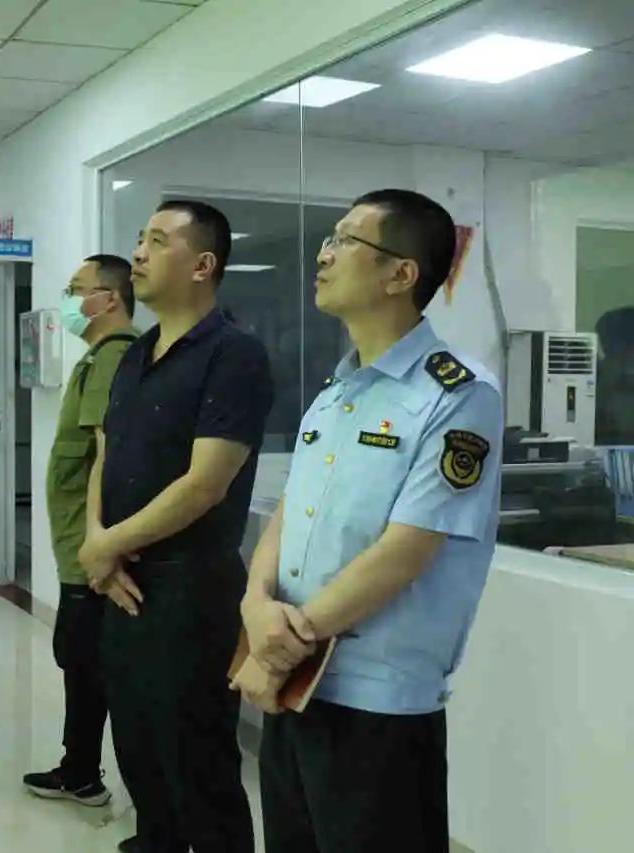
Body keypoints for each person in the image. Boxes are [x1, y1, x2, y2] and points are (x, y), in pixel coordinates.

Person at [231, 189, 504, 853]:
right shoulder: (337, 392)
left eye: (345, 241)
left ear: (400, 273)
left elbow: (406, 549)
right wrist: (255, 603)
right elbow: (292, 510)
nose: (323, 255)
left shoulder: (458, 394)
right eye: (329, 239)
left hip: (376, 699)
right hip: (295, 683)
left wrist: (281, 643)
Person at [79, 200, 273, 853]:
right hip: (123, 584)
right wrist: (98, 544)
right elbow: (107, 453)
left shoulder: (233, 355)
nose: (138, 252)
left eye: (157, 241)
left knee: (198, 761)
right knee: (137, 747)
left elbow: (204, 483)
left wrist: (107, 545)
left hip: (191, 591)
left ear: (202, 264)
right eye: (141, 238)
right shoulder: (136, 354)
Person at [23, 255, 139, 807]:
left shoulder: (114, 357)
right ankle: (79, 768)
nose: (68, 301)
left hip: (89, 547)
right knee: (81, 660)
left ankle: (84, 775)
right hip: (83, 542)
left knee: (85, 662)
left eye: (76, 290)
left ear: (109, 298)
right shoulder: (100, 357)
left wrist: (101, 545)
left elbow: (107, 455)